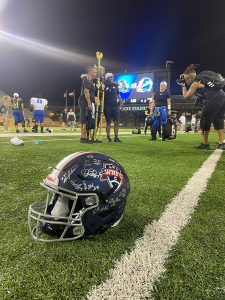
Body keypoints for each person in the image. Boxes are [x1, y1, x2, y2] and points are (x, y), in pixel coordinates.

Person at [180, 64, 225, 149]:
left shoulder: (195, 83)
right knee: (219, 120)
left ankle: (205, 144)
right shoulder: (203, 77)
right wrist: (184, 76)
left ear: (190, 78)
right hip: (222, 96)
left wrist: (183, 85)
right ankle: (222, 143)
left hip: (213, 99)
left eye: (186, 80)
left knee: (204, 120)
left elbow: (186, 97)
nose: (186, 81)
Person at [78, 67, 97, 143]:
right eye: (94, 72)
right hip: (84, 101)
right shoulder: (87, 79)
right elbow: (86, 92)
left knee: (88, 119)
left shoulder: (91, 80)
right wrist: (89, 103)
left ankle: (85, 137)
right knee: (84, 120)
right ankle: (83, 138)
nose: (95, 74)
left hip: (89, 101)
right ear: (89, 72)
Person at [104, 73, 123, 142]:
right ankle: (108, 137)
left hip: (115, 106)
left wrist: (121, 102)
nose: (111, 78)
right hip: (107, 106)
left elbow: (118, 94)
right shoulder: (104, 85)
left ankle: (116, 137)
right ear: (107, 78)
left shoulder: (115, 85)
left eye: (112, 77)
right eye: (110, 77)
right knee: (108, 122)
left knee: (117, 122)